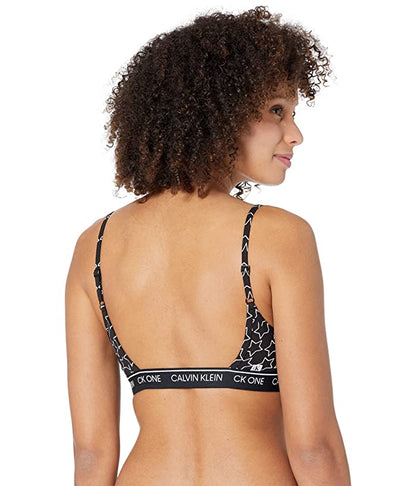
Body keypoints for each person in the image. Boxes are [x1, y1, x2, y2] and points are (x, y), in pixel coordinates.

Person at [65, 6, 351, 485]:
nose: (295, 134)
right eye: (277, 110)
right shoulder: (278, 236)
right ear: (220, 109)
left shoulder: (93, 247)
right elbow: (313, 447)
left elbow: (91, 455)